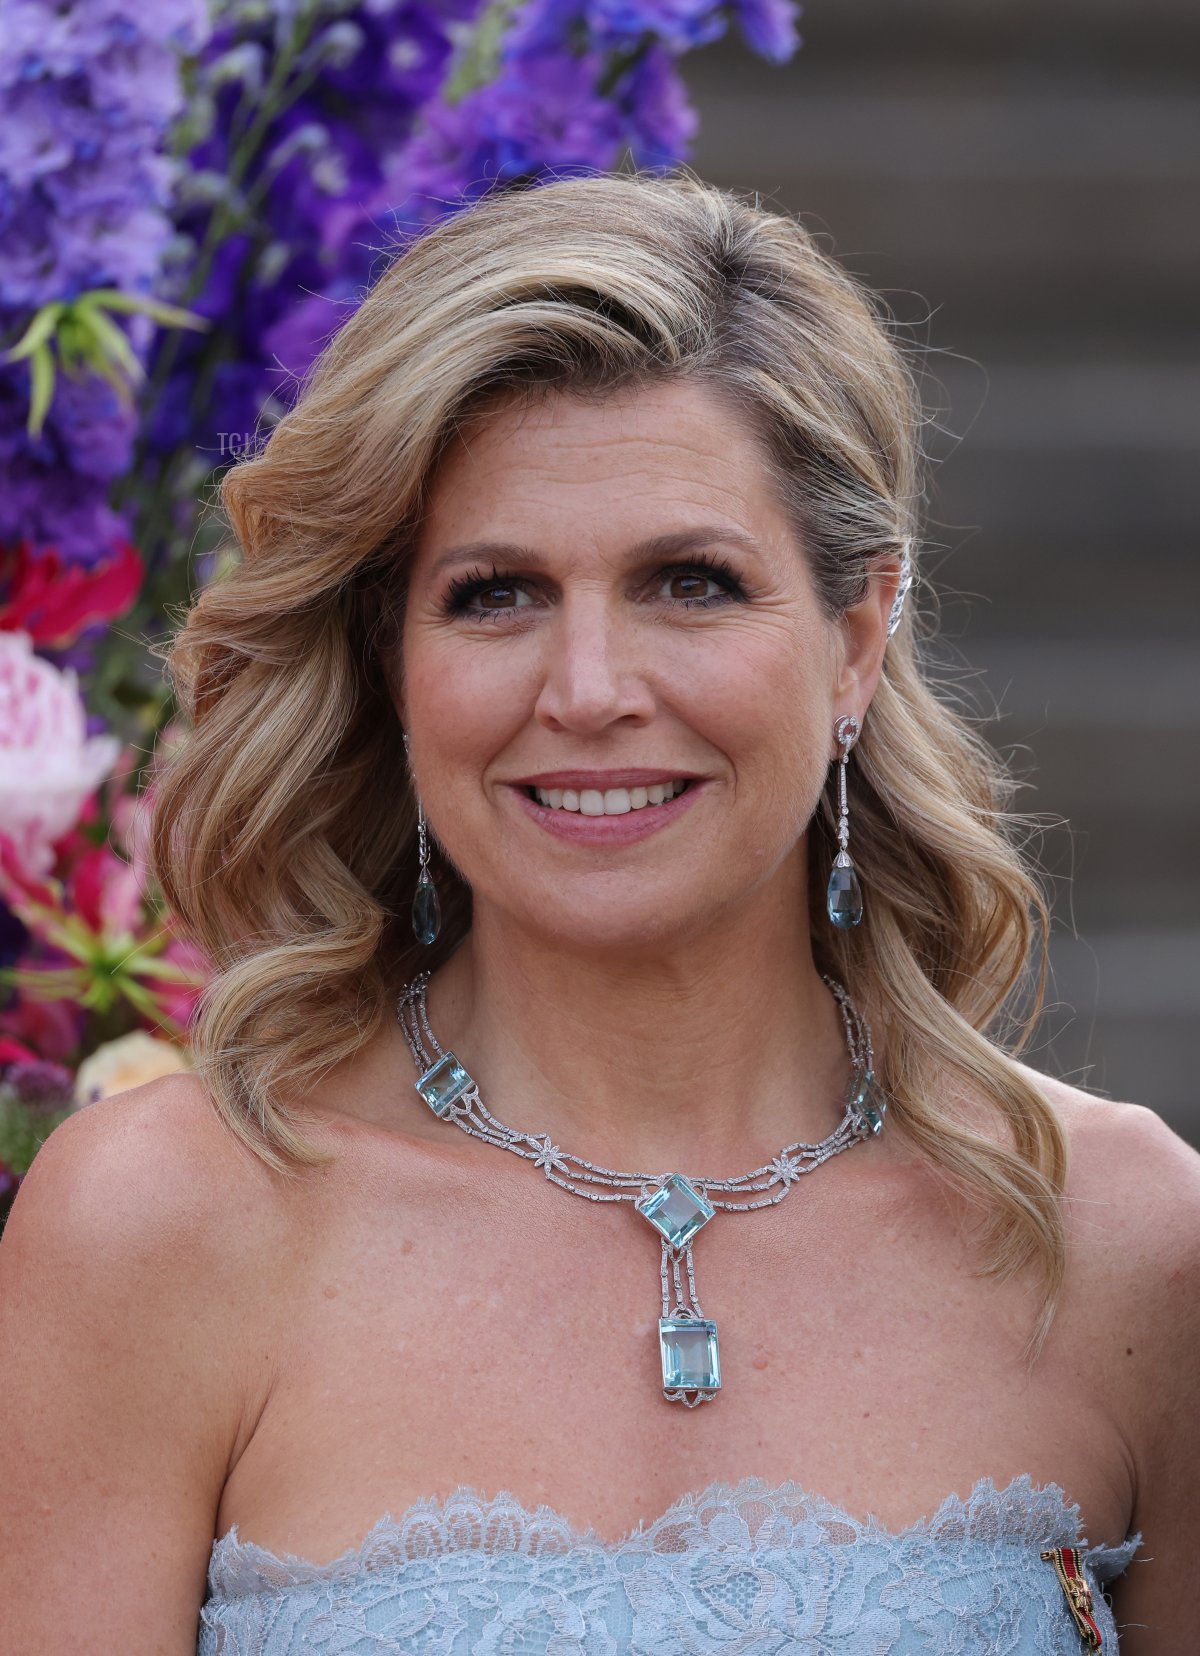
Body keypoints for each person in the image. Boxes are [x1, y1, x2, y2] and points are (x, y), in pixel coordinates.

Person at [1, 171, 1196, 1655]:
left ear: (857, 639)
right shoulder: (160, 1228)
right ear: (393, 659)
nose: (586, 690)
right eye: (495, 595)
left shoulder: (1134, 1247)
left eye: (689, 583)